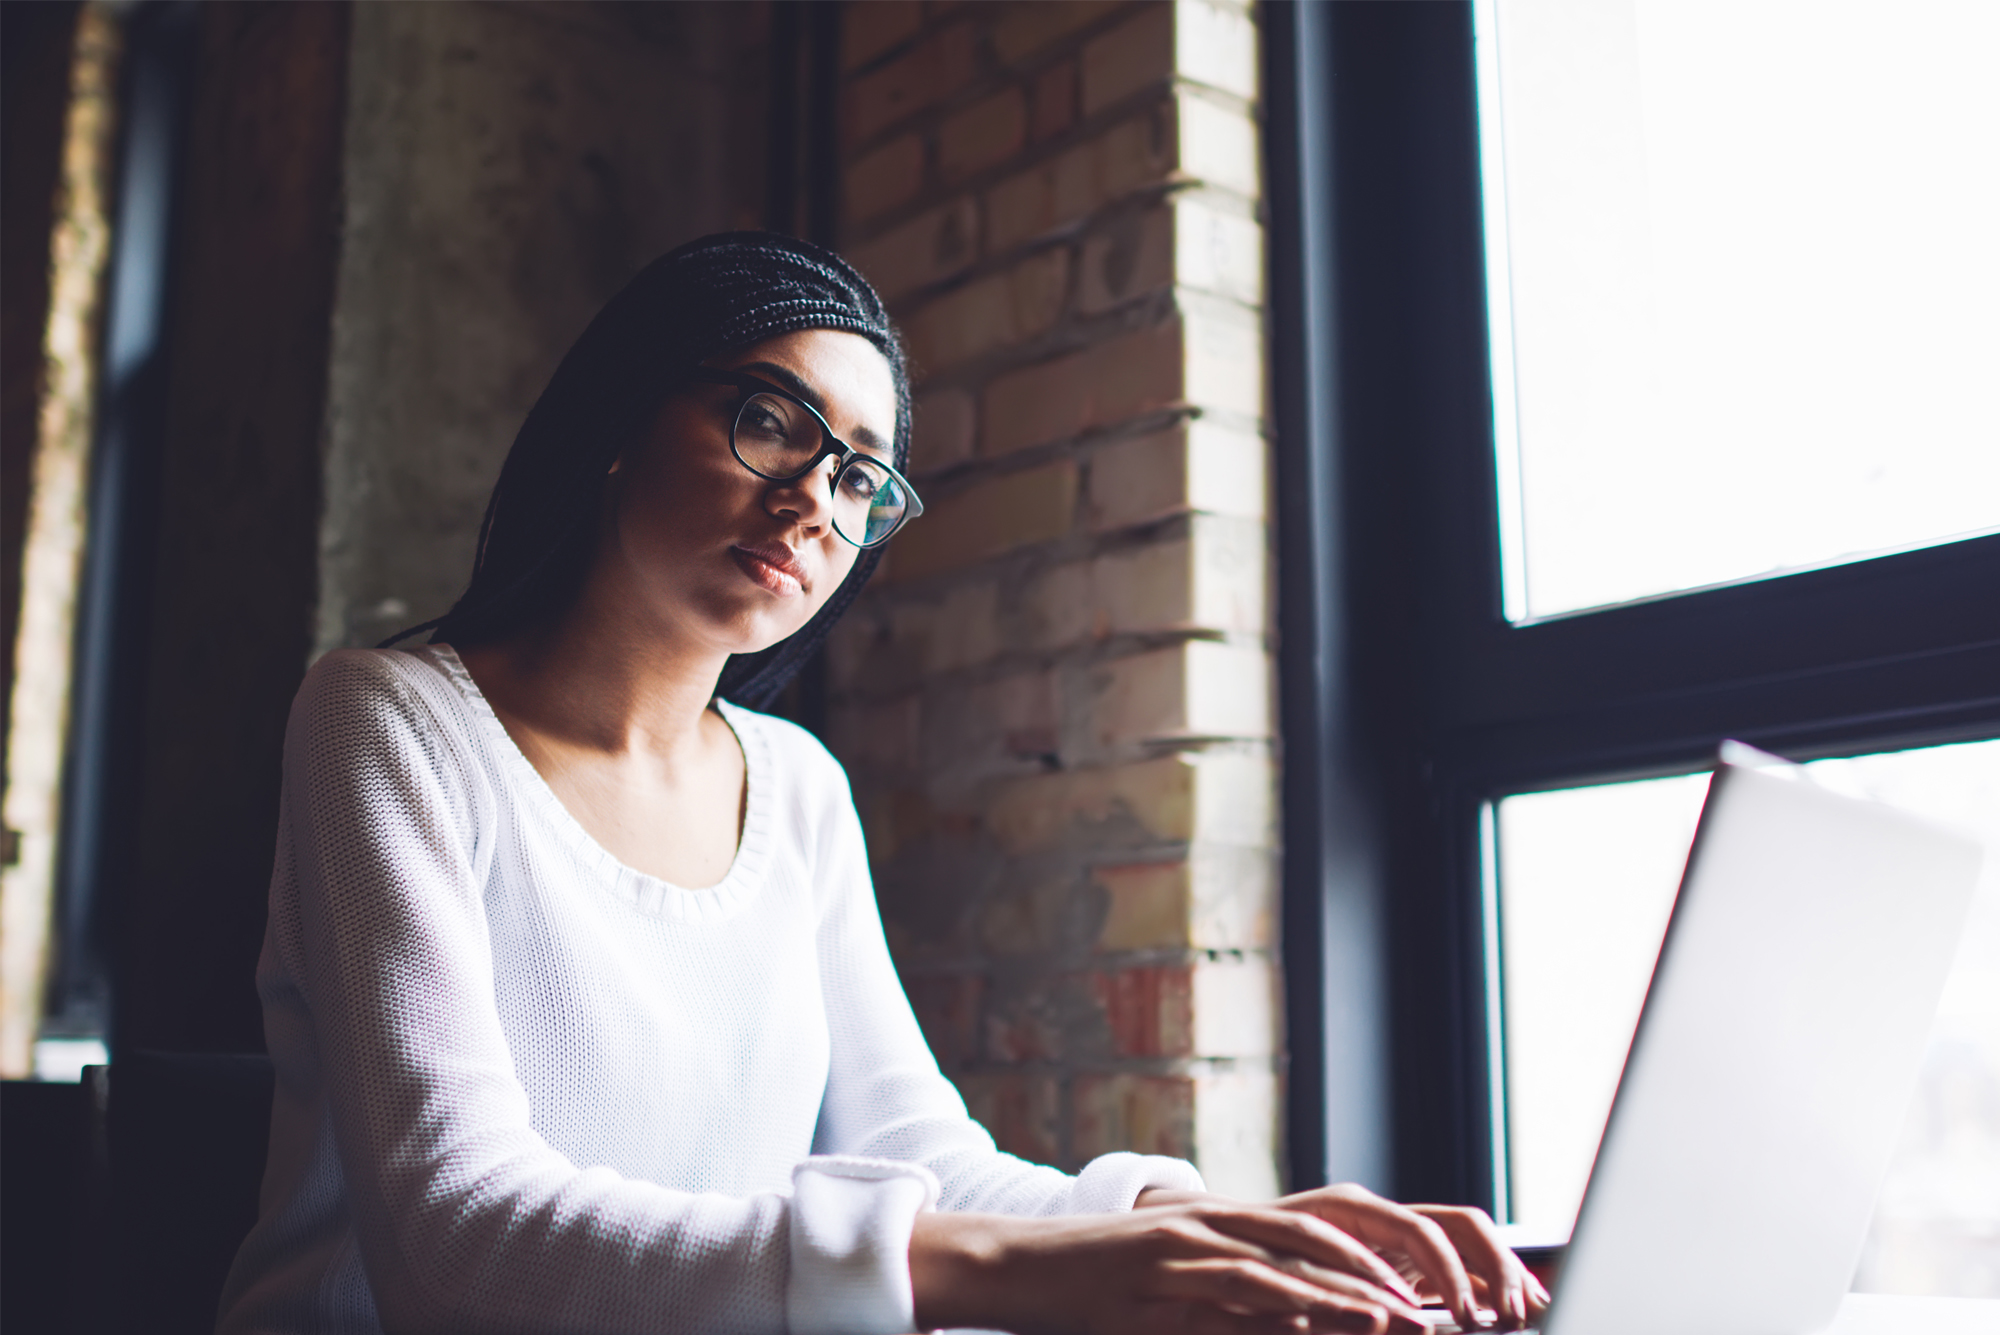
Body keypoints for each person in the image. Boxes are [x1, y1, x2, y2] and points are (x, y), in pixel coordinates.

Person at [215, 233, 1549, 1335]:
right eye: (768, 422)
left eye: (858, 473)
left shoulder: (794, 788)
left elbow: (924, 1153)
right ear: (620, 420)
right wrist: (1006, 1273)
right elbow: (460, 1237)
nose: (814, 501)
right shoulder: (384, 721)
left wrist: (1197, 1227)